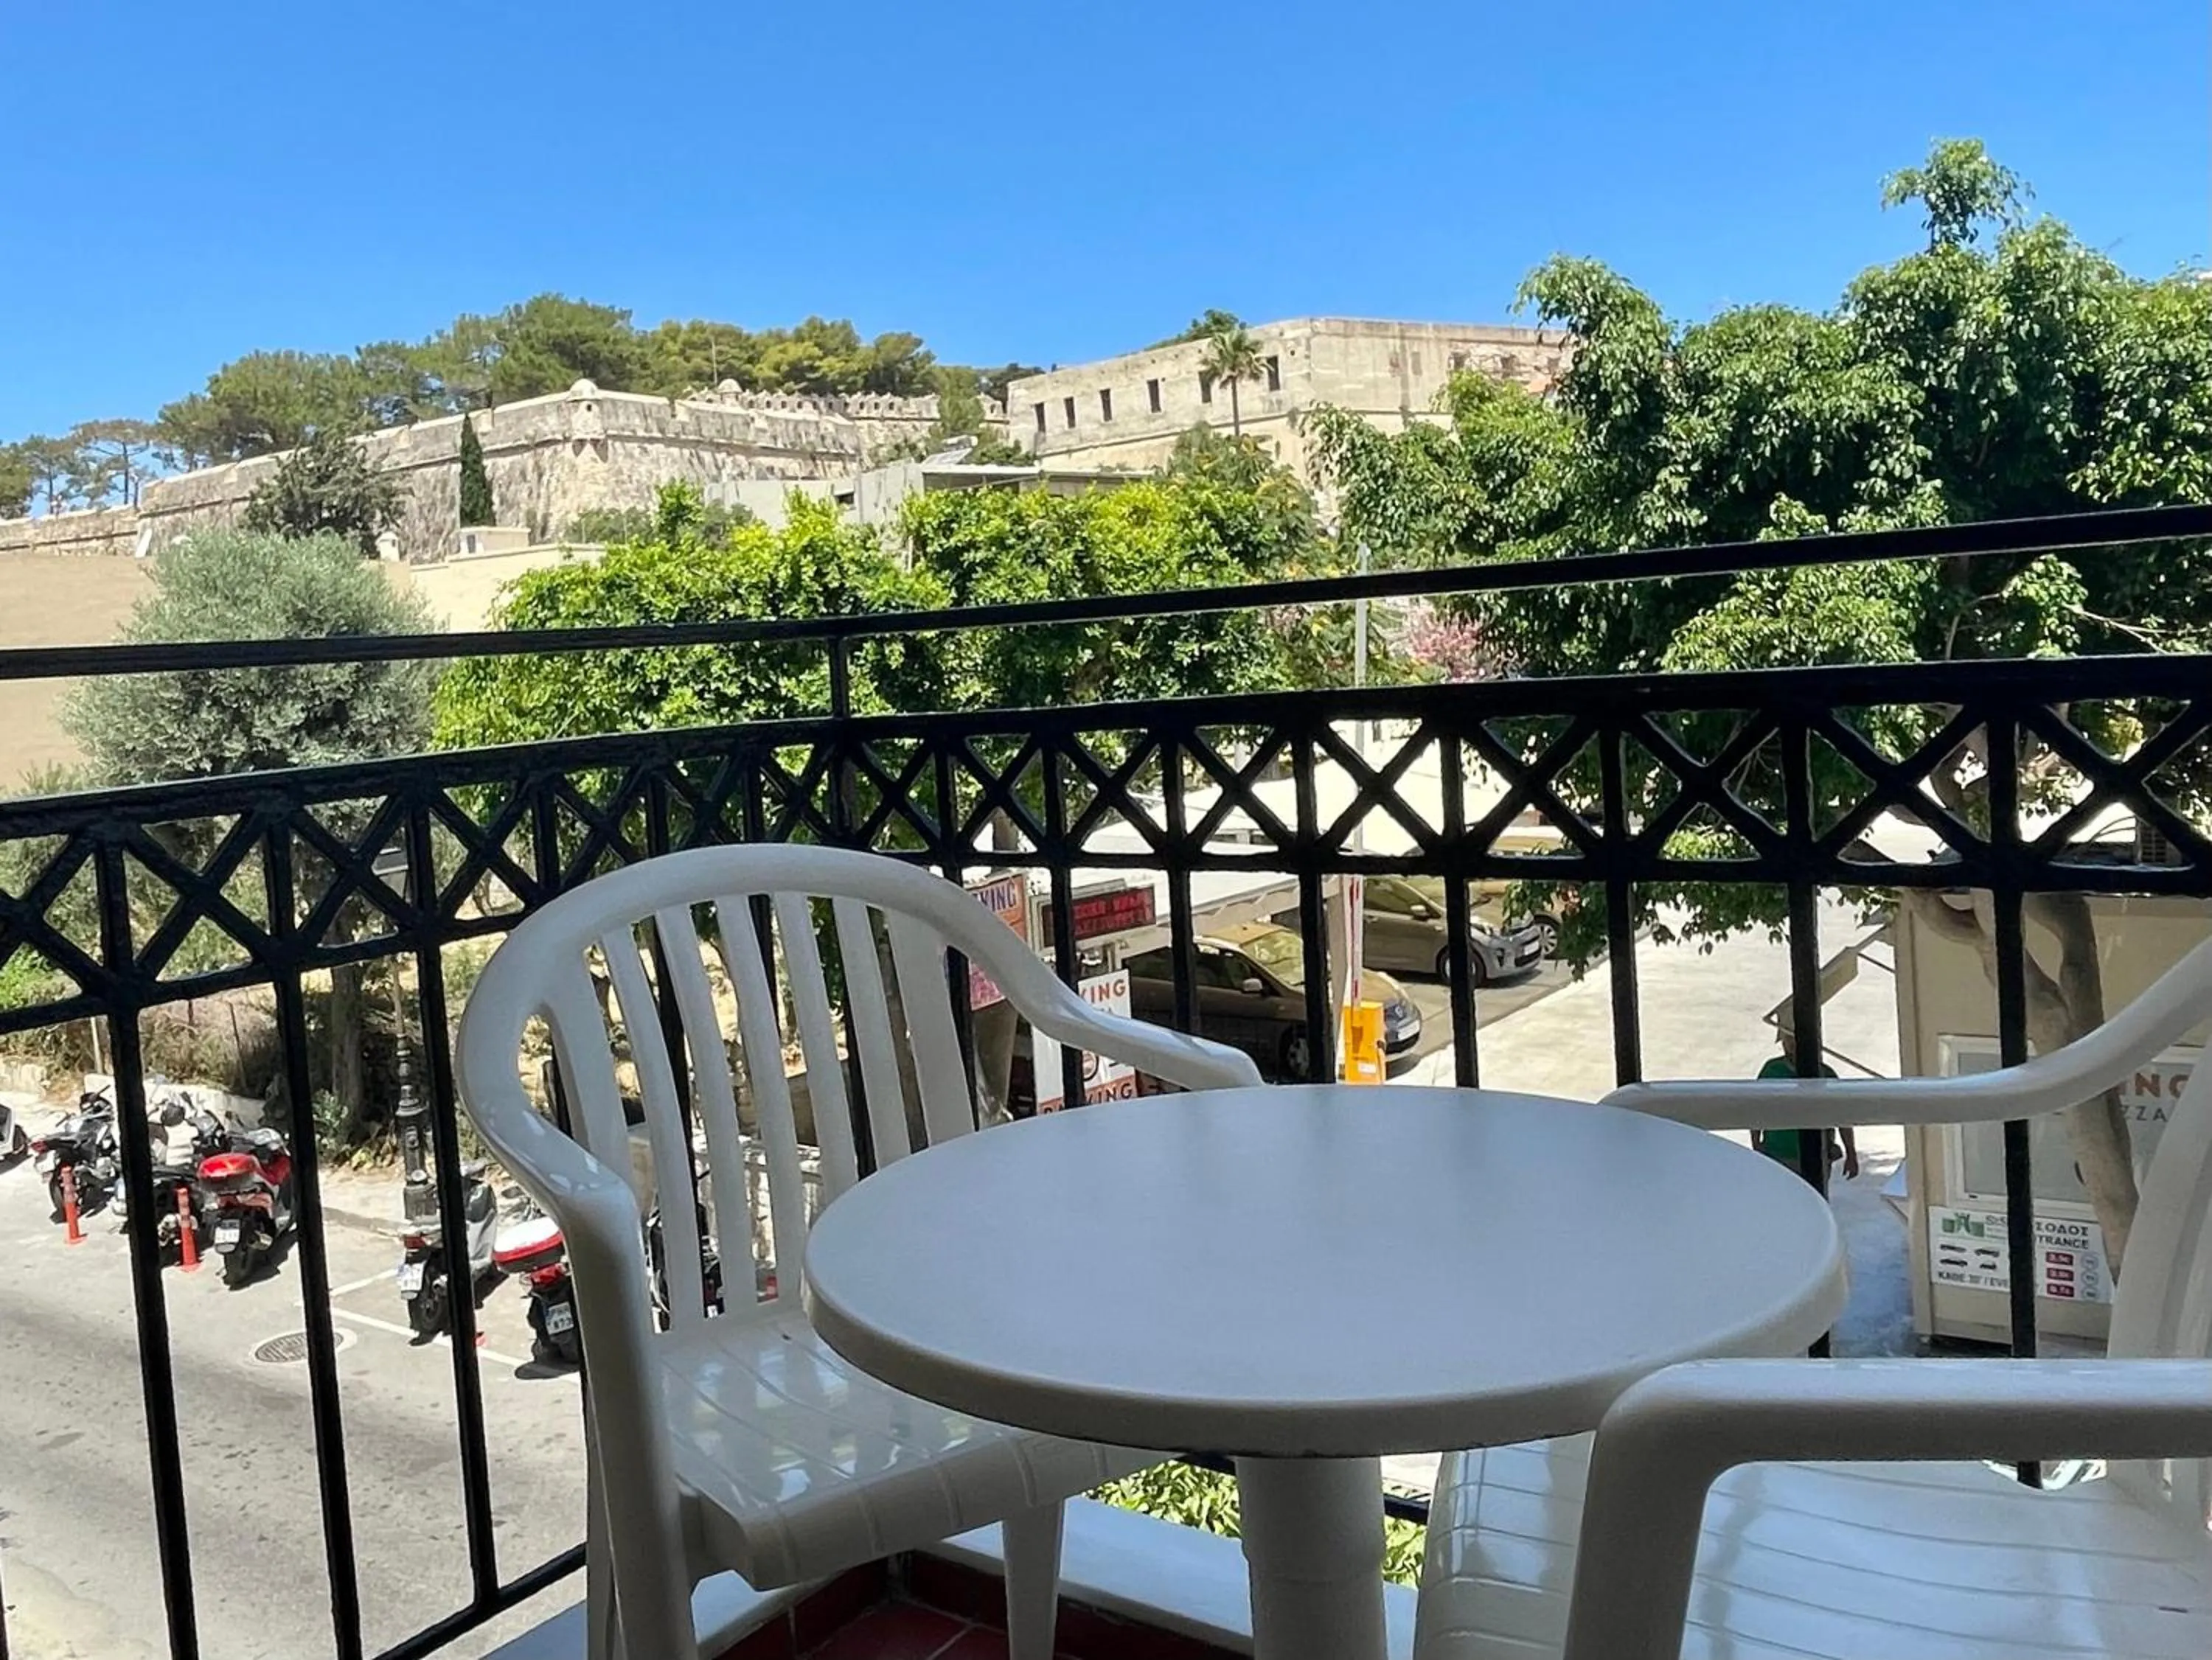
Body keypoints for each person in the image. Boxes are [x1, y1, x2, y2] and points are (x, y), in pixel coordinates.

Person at [1754, 1027, 1860, 1179]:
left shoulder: (1826, 1074)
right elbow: (1757, 1107)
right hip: (1777, 1153)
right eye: (1786, 1040)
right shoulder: (1772, 1070)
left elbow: (1842, 1118)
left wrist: (1851, 1153)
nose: (1790, 1045)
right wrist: (1756, 1145)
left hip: (1817, 1155)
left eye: (1794, 1039)